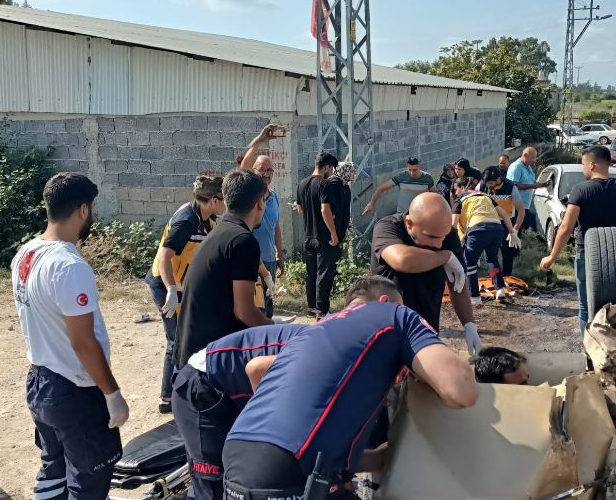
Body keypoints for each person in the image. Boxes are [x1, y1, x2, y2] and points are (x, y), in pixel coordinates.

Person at [222, 276, 479, 500]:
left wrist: (381, 456)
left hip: (238, 458)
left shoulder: (319, 328)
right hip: (289, 470)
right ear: (385, 302)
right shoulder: (395, 315)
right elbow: (461, 391)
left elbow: (259, 369)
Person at [12, 173, 128, 499]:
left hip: (40, 381)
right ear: (82, 210)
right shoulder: (68, 266)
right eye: (91, 207)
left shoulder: (27, 253)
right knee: (90, 478)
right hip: (73, 391)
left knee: (55, 469)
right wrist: (112, 393)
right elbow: (83, 342)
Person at [172, 323, 306, 500]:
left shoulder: (337, 340)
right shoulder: (324, 353)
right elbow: (256, 368)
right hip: (203, 384)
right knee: (214, 484)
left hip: (232, 388)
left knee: (240, 474)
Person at [539, 146, 616, 333]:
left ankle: (590, 353)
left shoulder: (580, 190)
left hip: (588, 254)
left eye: (583, 164)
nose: (583, 168)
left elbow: (565, 227)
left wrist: (552, 256)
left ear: (592, 165)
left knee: (587, 308)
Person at [175, 170, 273, 367]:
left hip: (191, 358)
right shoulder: (242, 241)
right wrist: (274, 328)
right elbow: (244, 311)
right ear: (260, 203)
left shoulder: (221, 231)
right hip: (207, 366)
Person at [144, 174, 223, 414]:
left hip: (180, 285)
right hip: (165, 284)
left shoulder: (206, 218)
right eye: (223, 199)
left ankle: (176, 392)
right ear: (213, 200)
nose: (226, 203)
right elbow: (165, 257)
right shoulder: (186, 221)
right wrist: (170, 290)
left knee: (186, 336)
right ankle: (169, 398)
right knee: (176, 340)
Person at [370, 192, 483, 355]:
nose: (438, 244)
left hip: (425, 331)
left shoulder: (446, 235)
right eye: (431, 237)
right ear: (409, 224)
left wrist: (469, 325)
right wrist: (446, 256)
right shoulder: (388, 228)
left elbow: (457, 282)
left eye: (443, 237)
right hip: (387, 330)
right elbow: (402, 260)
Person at [240, 124, 288, 317]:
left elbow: (276, 227)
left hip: (269, 259)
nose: (267, 174)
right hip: (251, 260)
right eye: (262, 170)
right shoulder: (249, 195)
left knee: (268, 302)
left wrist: (279, 255)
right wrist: (260, 140)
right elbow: (243, 168)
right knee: (253, 305)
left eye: (270, 170)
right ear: (254, 171)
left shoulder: (274, 197)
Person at [453, 178, 519, 306]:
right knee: (492, 259)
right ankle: (499, 289)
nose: (455, 192)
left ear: (461, 188)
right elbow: (504, 214)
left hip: (477, 229)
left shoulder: (460, 198)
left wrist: (454, 243)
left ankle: (475, 298)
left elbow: (453, 224)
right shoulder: (485, 195)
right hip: (497, 229)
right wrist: (512, 232)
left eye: (455, 189)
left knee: (470, 263)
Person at [296, 152, 341, 317]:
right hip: (323, 236)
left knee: (311, 273)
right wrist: (333, 233)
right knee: (324, 274)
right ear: (327, 167)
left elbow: (300, 209)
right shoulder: (324, 184)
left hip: (308, 236)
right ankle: (321, 311)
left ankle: (311, 308)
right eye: (331, 168)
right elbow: (325, 209)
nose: (331, 172)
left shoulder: (302, 183)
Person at [481, 166, 526, 277]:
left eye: (491, 183)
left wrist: (515, 230)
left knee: (507, 254)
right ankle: (495, 279)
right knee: (491, 254)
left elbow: (521, 211)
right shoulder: (483, 186)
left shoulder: (510, 187)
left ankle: (507, 277)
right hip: (489, 222)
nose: (488, 186)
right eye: (487, 183)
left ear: (498, 179)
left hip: (507, 223)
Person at [363, 157, 435, 215]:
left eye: (415, 170)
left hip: (420, 215)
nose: (412, 173)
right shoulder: (401, 177)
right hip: (402, 215)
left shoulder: (427, 178)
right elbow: (381, 188)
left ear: (419, 167)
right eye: (410, 170)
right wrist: (371, 203)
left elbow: (435, 194)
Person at [507, 147, 549, 234]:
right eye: (532, 157)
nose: (535, 160)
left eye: (535, 157)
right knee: (514, 232)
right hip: (515, 206)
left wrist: (542, 184)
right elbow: (513, 185)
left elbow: (531, 182)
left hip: (525, 206)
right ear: (525, 155)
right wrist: (532, 186)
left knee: (520, 231)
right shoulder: (516, 167)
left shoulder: (528, 167)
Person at [325, 161, 356, 250]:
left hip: (339, 228)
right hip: (330, 230)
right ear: (345, 171)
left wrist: (348, 224)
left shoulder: (345, 187)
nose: (354, 173)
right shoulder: (334, 184)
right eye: (352, 171)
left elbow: (345, 209)